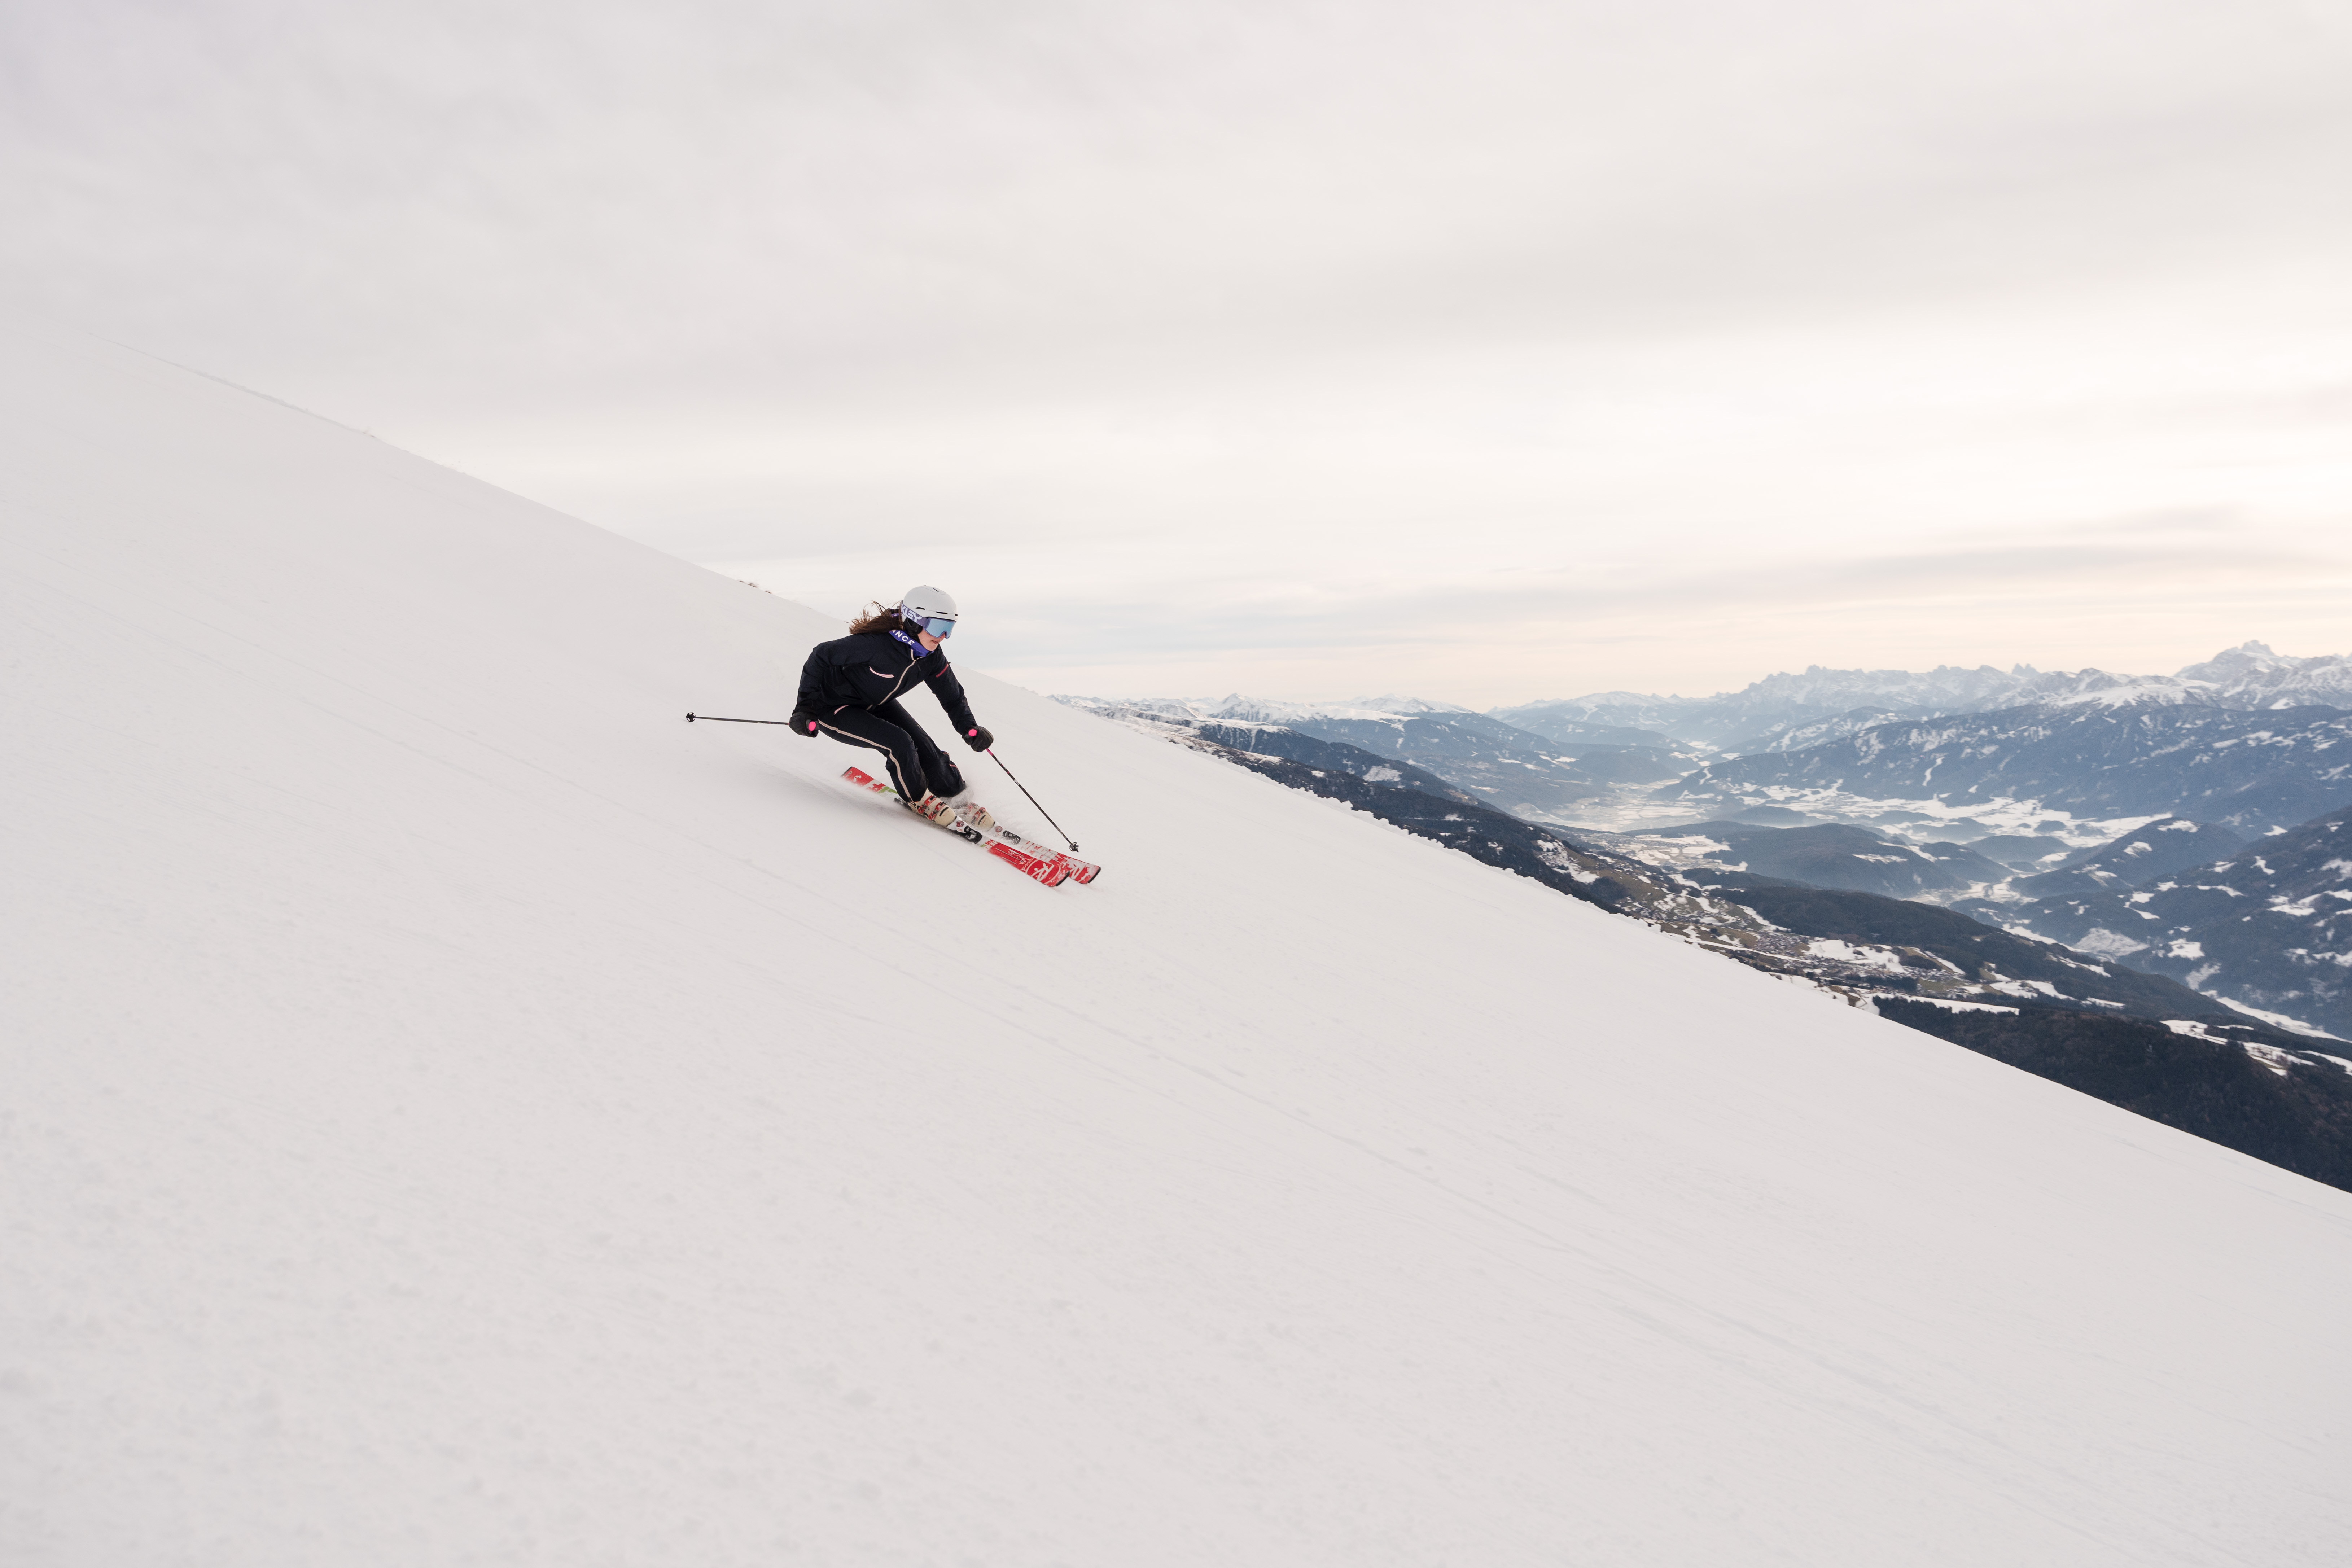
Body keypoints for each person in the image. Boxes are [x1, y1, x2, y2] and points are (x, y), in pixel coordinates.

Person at [789, 586, 997, 828]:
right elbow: (821, 655)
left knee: (928, 751)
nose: (942, 636)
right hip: (832, 707)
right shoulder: (876, 645)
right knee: (899, 743)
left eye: (948, 629)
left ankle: (955, 796)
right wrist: (805, 707)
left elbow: (952, 697)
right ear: (914, 621)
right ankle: (918, 799)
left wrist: (970, 729)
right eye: (938, 627)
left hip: (877, 704)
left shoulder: (931, 657)